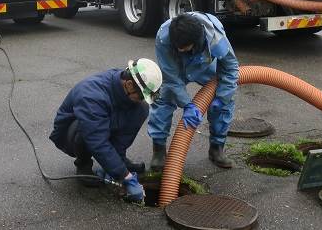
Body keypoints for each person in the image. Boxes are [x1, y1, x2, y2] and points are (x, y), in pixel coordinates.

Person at [50, 58, 163, 202]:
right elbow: (97, 140)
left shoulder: (124, 86)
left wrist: (118, 166)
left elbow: (123, 133)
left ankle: (117, 159)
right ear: (128, 84)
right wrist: (125, 176)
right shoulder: (91, 95)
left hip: (104, 121)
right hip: (72, 132)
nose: (142, 99)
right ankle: (83, 163)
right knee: (86, 130)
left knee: (140, 109)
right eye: (141, 95)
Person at [149, 12, 239, 170]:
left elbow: (231, 68)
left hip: (203, 63)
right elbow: (171, 78)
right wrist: (188, 105)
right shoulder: (164, 37)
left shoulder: (216, 38)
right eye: (178, 47)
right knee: (162, 97)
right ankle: (159, 150)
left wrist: (222, 98)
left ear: (196, 41)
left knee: (224, 98)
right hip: (176, 67)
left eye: (184, 47)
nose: (181, 49)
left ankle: (217, 148)